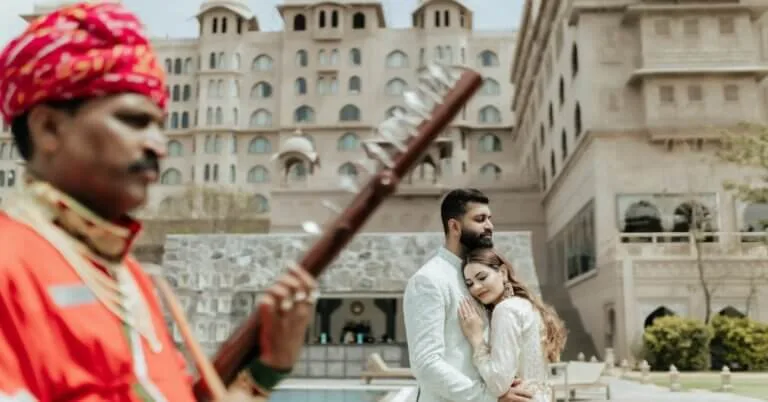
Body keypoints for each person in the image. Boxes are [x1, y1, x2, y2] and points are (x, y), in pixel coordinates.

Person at [0, 2, 315, 401]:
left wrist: (266, 371)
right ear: (49, 128)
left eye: (161, 127)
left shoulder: (132, 280)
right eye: (134, 121)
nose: (157, 145)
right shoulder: (10, 267)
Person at [403, 188, 534, 402]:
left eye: (490, 219)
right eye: (480, 219)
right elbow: (426, 364)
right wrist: (488, 397)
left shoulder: (477, 277)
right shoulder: (429, 280)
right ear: (454, 226)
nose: (489, 226)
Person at [458, 248, 567, 402]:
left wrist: (477, 340)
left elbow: (498, 384)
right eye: (469, 284)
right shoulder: (527, 305)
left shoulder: (505, 310)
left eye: (482, 277)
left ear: (503, 272)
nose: (475, 287)